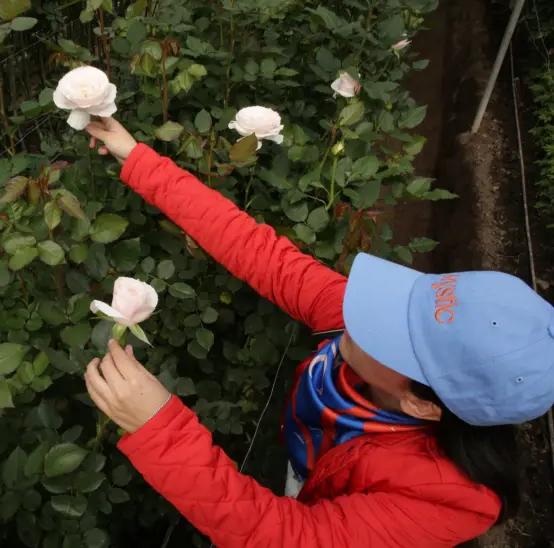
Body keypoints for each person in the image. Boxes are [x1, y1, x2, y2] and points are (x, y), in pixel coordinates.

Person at [80, 117, 554, 547]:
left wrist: (159, 428)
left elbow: (286, 538)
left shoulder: (445, 503)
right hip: (319, 458)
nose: (364, 314)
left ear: (422, 403)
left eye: (388, 334)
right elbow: (256, 249)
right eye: (401, 304)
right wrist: (138, 158)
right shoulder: (365, 320)